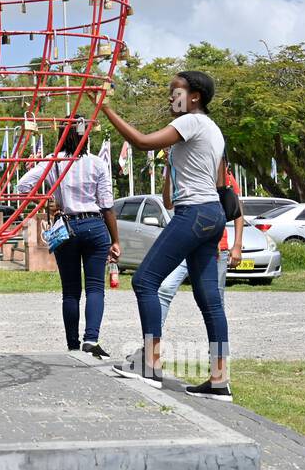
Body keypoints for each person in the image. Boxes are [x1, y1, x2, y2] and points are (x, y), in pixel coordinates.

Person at [100, 71, 233, 400]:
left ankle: (150, 365)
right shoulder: (212, 130)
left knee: (144, 280)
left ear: (195, 96)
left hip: (196, 214)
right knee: (210, 301)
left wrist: (104, 108)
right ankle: (219, 381)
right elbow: (182, 194)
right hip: (211, 214)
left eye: (176, 91)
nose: (170, 97)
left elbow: (141, 142)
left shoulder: (193, 122)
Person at [15, 119, 121, 357]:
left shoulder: (52, 163)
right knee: (95, 287)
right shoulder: (97, 163)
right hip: (94, 225)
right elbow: (107, 205)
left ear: (61, 135)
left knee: (71, 291)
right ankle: (90, 340)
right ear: (86, 136)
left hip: (66, 226)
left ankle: (72, 344)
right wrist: (115, 240)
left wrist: (48, 201)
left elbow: (22, 186)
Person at [155, 159, 243, 335]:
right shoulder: (179, 168)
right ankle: (150, 349)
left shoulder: (218, 168)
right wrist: (169, 166)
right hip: (185, 241)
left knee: (214, 301)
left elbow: (236, 207)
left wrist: (237, 245)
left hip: (213, 244)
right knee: (164, 289)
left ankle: (219, 355)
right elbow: (168, 203)